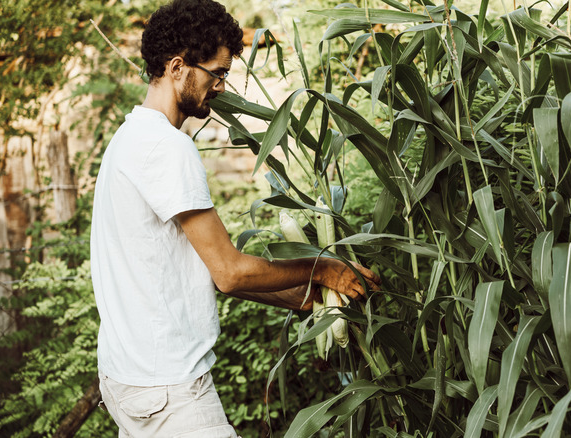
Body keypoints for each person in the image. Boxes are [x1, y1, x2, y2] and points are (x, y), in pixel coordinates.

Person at [90, 0, 381, 436]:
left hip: (130, 381)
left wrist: (307, 296)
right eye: (217, 72)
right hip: (170, 390)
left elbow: (199, 272)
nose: (223, 87)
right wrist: (324, 268)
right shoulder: (168, 149)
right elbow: (229, 272)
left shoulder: (128, 139)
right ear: (177, 67)